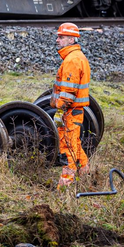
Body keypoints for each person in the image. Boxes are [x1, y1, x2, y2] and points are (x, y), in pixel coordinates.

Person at [51, 22, 91, 187]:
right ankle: (85, 173)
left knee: (67, 147)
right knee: (75, 143)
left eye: (61, 37)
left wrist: (60, 109)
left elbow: (68, 93)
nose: (58, 40)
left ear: (71, 39)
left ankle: (65, 185)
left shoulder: (72, 60)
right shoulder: (75, 57)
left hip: (70, 111)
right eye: (58, 36)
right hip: (74, 111)